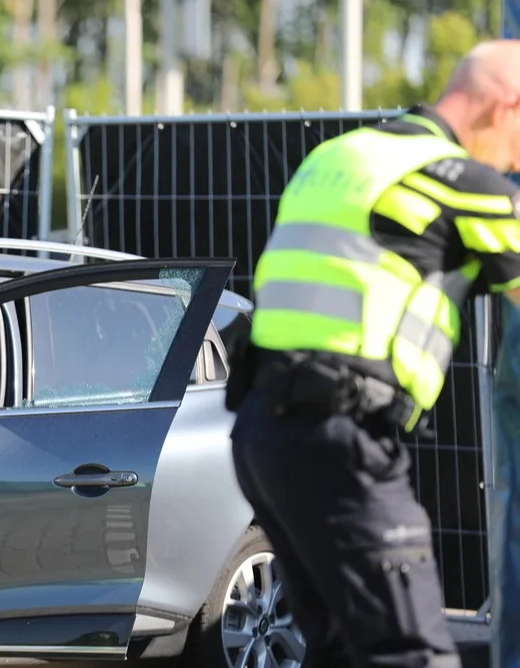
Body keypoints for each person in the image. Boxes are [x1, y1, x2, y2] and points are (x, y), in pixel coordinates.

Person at [223, 39, 520, 668]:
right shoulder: (464, 182)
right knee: (410, 653)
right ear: (507, 106)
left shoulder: (339, 155)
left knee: (335, 649)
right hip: (342, 441)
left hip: (259, 434)